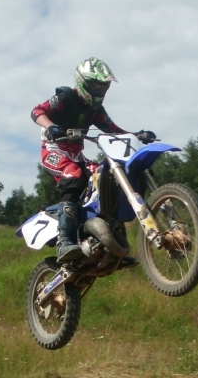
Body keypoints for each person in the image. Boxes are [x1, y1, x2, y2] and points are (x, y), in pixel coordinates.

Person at [31, 57, 155, 263]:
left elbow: (114, 130)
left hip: (76, 154)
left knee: (104, 177)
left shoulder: (96, 111)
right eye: (95, 85)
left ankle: (110, 243)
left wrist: (138, 135)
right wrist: (51, 126)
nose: (99, 90)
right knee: (73, 175)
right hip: (53, 150)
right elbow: (37, 111)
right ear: (82, 82)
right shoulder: (66, 98)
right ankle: (64, 241)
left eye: (103, 86)